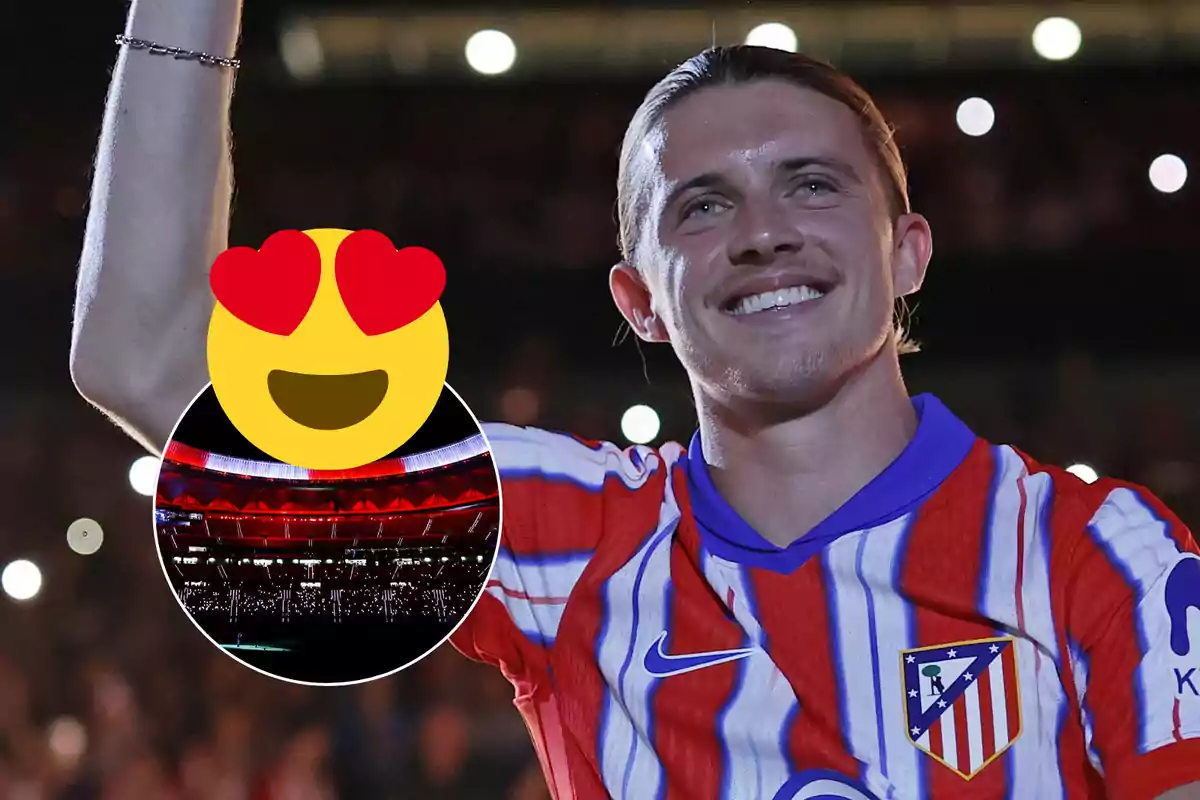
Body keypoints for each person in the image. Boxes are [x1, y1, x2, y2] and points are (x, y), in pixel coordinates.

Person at [70, 2, 1200, 798]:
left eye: (812, 182)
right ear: (640, 298)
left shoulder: (1098, 553)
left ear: (907, 251)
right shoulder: (567, 533)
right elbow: (146, 356)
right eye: (701, 208)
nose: (762, 231)